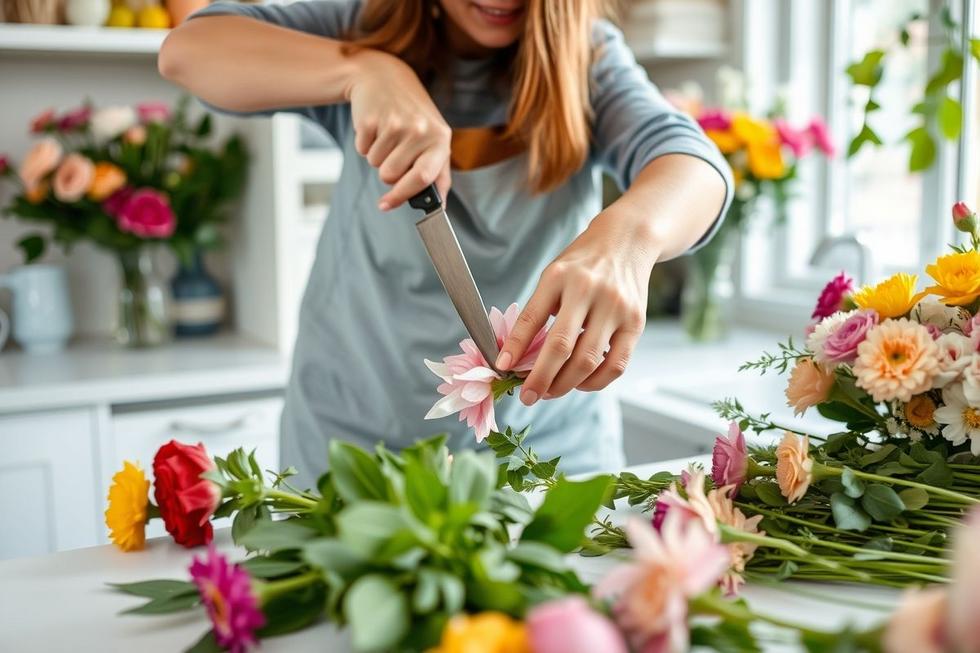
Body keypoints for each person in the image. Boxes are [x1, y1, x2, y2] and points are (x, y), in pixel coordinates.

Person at [159, 0, 732, 487]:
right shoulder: (364, 24)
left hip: (546, 451)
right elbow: (188, 51)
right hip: (352, 447)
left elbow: (696, 167)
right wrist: (365, 70)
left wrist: (628, 238)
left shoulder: (590, 58)